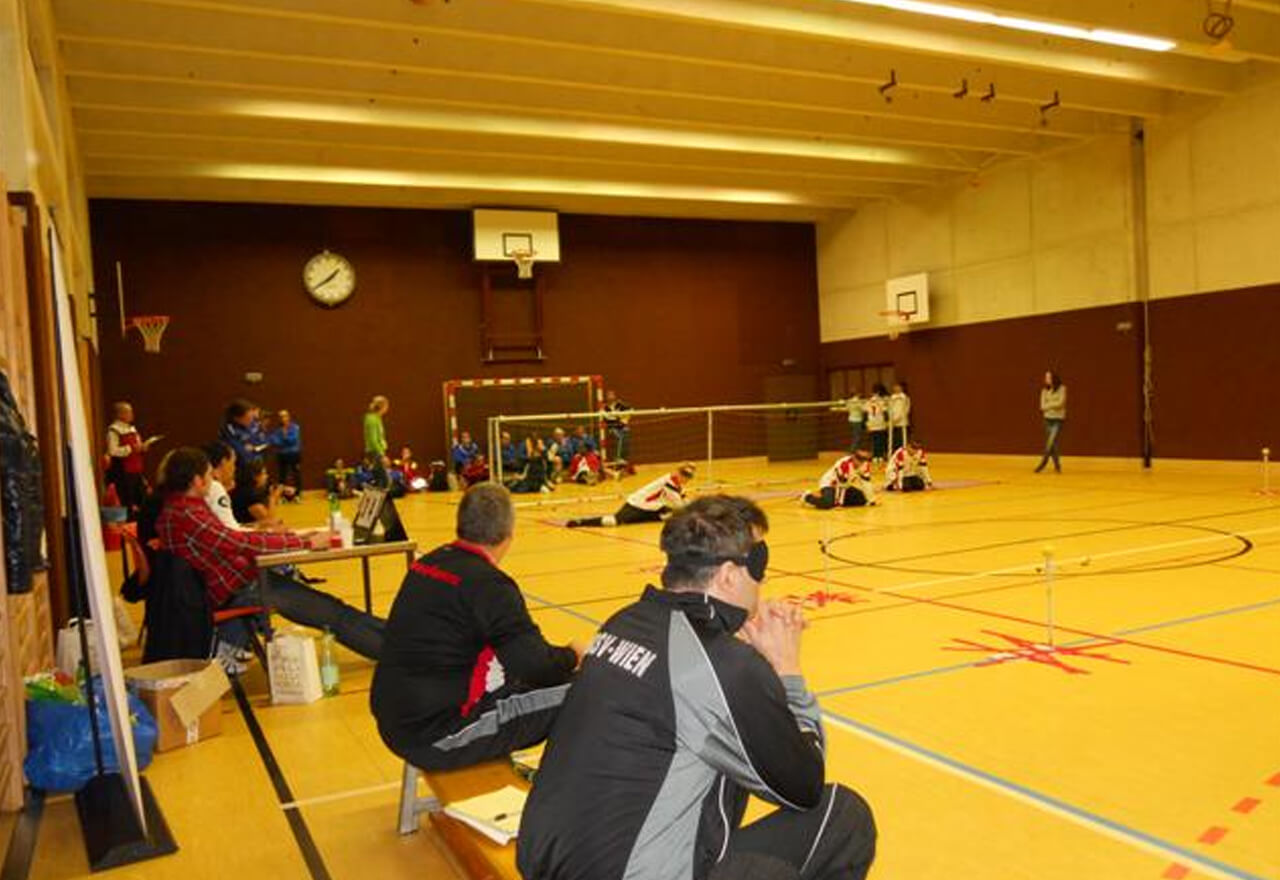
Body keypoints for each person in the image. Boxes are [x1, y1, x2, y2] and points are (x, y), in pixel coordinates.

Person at [518, 496, 877, 880]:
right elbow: (802, 784)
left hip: (547, 862)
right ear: (726, 575)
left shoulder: (623, 622)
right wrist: (786, 670)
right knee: (829, 827)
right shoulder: (724, 666)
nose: (764, 579)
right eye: (757, 565)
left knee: (828, 818)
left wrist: (734, 648)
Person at [370, 484, 583, 771]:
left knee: (519, 681)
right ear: (508, 535)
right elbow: (535, 667)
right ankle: (564, 797)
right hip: (439, 736)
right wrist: (572, 655)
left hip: (394, 721)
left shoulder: (428, 562)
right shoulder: (490, 585)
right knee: (590, 688)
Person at [154, 447, 386, 660]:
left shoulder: (179, 509)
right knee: (334, 615)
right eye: (209, 475)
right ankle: (394, 649)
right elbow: (239, 542)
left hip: (243, 582)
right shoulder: (187, 513)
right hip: (240, 589)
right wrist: (301, 542)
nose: (212, 479)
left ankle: (393, 638)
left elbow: (233, 540)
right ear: (196, 480)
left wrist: (297, 540)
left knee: (335, 610)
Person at [565, 463, 695, 527]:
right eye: (684, 474)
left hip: (652, 506)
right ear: (678, 472)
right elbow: (679, 505)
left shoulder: (677, 483)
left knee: (668, 515)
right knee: (615, 521)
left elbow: (684, 498)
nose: (686, 478)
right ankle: (581, 521)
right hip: (638, 504)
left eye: (689, 476)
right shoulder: (670, 483)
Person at [105, 401, 160, 517]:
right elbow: (112, 451)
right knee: (127, 503)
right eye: (128, 412)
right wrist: (131, 448)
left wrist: (143, 447)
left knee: (144, 500)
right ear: (120, 414)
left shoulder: (132, 429)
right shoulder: (114, 430)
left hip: (136, 470)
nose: (132, 414)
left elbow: (137, 447)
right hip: (124, 472)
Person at [803, 450, 876, 509]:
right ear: (853, 457)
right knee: (827, 504)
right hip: (829, 484)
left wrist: (871, 500)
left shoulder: (864, 465)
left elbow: (866, 482)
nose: (862, 462)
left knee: (862, 499)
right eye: (859, 459)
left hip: (845, 486)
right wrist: (839, 504)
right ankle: (807, 497)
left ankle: (832, 498)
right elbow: (841, 484)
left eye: (864, 460)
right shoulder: (844, 464)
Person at [231, 458, 285, 527]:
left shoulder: (247, 490)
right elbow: (269, 520)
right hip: (244, 530)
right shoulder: (249, 495)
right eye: (264, 474)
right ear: (255, 477)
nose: (267, 476)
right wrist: (273, 498)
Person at [219, 399, 268, 472]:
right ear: (237, 418)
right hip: (242, 468)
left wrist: (254, 449)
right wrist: (251, 449)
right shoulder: (229, 430)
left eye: (252, 417)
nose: (252, 421)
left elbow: (260, 443)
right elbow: (242, 454)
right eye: (248, 418)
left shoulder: (250, 425)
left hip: (256, 464)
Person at [1036, 371, 1066, 473]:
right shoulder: (1044, 391)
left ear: (1053, 378)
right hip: (1047, 419)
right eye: (1046, 377)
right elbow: (1042, 406)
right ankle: (1057, 465)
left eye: (1048, 377)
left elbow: (1061, 403)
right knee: (1052, 444)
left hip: (1058, 419)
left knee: (1050, 442)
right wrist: (1052, 405)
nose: (1046, 379)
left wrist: (1048, 405)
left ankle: (1043, 463)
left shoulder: (1062, 388)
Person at [269, 409, 302, 496]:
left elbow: (293, 440)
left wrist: (283, 438)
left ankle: (298, 493)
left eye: (284, 416)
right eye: (280, 417)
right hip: (281, 454)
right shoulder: (277, 430)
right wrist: (284, 440)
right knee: (282, 475)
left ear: (288, 417)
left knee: (296, 473)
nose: (283, 418)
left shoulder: (295, 427)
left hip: (293, 454)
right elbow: (274, 441)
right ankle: (282, 494)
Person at [602, 389, 633, 468]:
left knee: (626, 435)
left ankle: (623, 459)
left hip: (622, 427)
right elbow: (608, 419)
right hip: (612, 428)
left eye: (612, 395)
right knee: (619, 436)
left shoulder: (620, 405)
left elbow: (631, 411)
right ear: (606, 397)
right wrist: (617, 418)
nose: (610, 397)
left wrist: (624, 420)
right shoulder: (605, 408)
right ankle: (617, 458)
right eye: (609, 395)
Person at [364, 395, 390, 484]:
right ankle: (375, 498)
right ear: (382, 406)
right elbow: (373, 440)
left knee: (381, 481)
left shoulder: (377, 418)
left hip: (377, 453)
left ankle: (380, 498)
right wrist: (382, 455)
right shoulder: (372, 419)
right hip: (375, 453)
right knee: (384, 481)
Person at [865, 384, 889, 464]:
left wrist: (867, 424)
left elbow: (865, 411)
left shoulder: (869, 401)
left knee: (874, 441)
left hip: (872, 422)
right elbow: (885, 411)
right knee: (880, 440)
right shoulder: (881, 401)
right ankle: (880, 456)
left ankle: (875, 456)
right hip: (880, 422)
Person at [888, 381, 911, 454]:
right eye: (895, 387)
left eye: (898, 387)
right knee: (894, 439)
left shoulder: (905, 398)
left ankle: (902, 453)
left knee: (902, 439)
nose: (896, 388)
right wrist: (892, 418)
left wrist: (899, 418)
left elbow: (906, 409)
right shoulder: (892, 397)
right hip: (893, 422)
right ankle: (895, 453)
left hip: (902, 421)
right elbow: (889, 408)